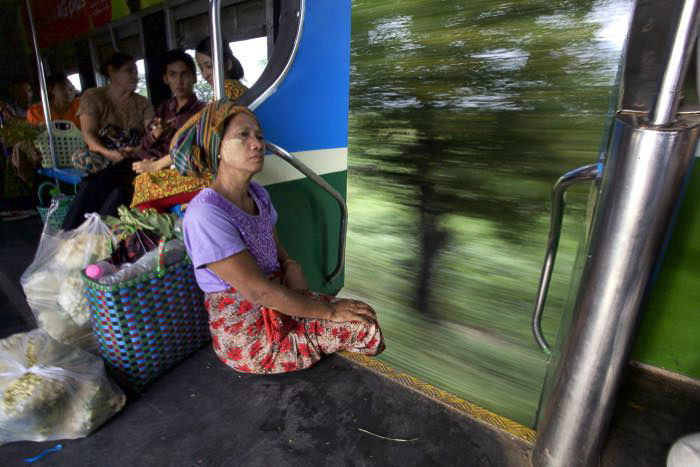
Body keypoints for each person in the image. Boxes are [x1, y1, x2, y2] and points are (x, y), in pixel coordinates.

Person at [176, 102, 384, 374]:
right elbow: (258, 291)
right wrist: (331, 313)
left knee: (364, 312)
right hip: (253, 337)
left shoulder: (258, 194)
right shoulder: (206, 214)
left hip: (278, 306)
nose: (257, 144)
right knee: (363, 329)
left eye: (259, 136)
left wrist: (290, 265)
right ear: (217, 148)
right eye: (243, 135)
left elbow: (274, 245)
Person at [62, 52, 154, 230]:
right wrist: (109, 153)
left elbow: (151, 134)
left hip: (132, 155)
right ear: (112, 72)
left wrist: (134, 150)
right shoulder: (94, 97)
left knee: (114, 186)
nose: (135, 76)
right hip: (102, 154)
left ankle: (92, 232)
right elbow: (88, 134)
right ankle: (69, 233)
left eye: (136, 71)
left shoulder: (142, 103)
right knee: (90, 176)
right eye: (129, 71)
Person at [129, 49, 207, 211]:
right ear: (166, 79)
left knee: (125, 189)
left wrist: (156, 164)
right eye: (173, 75)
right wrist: (155, 135)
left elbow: (192, 148)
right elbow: (144, 144)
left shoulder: (202, 111)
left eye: (184, 74)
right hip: (148, 161)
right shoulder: (165, 108)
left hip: (171, 167)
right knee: (101, 181)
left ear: (193, 77)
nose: (179, 81)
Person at [195, 36, 248, 101]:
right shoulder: (240, 88)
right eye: (201, 68)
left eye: (209, 66)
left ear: (228, 64)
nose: (205, 75)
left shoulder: (225, 91)